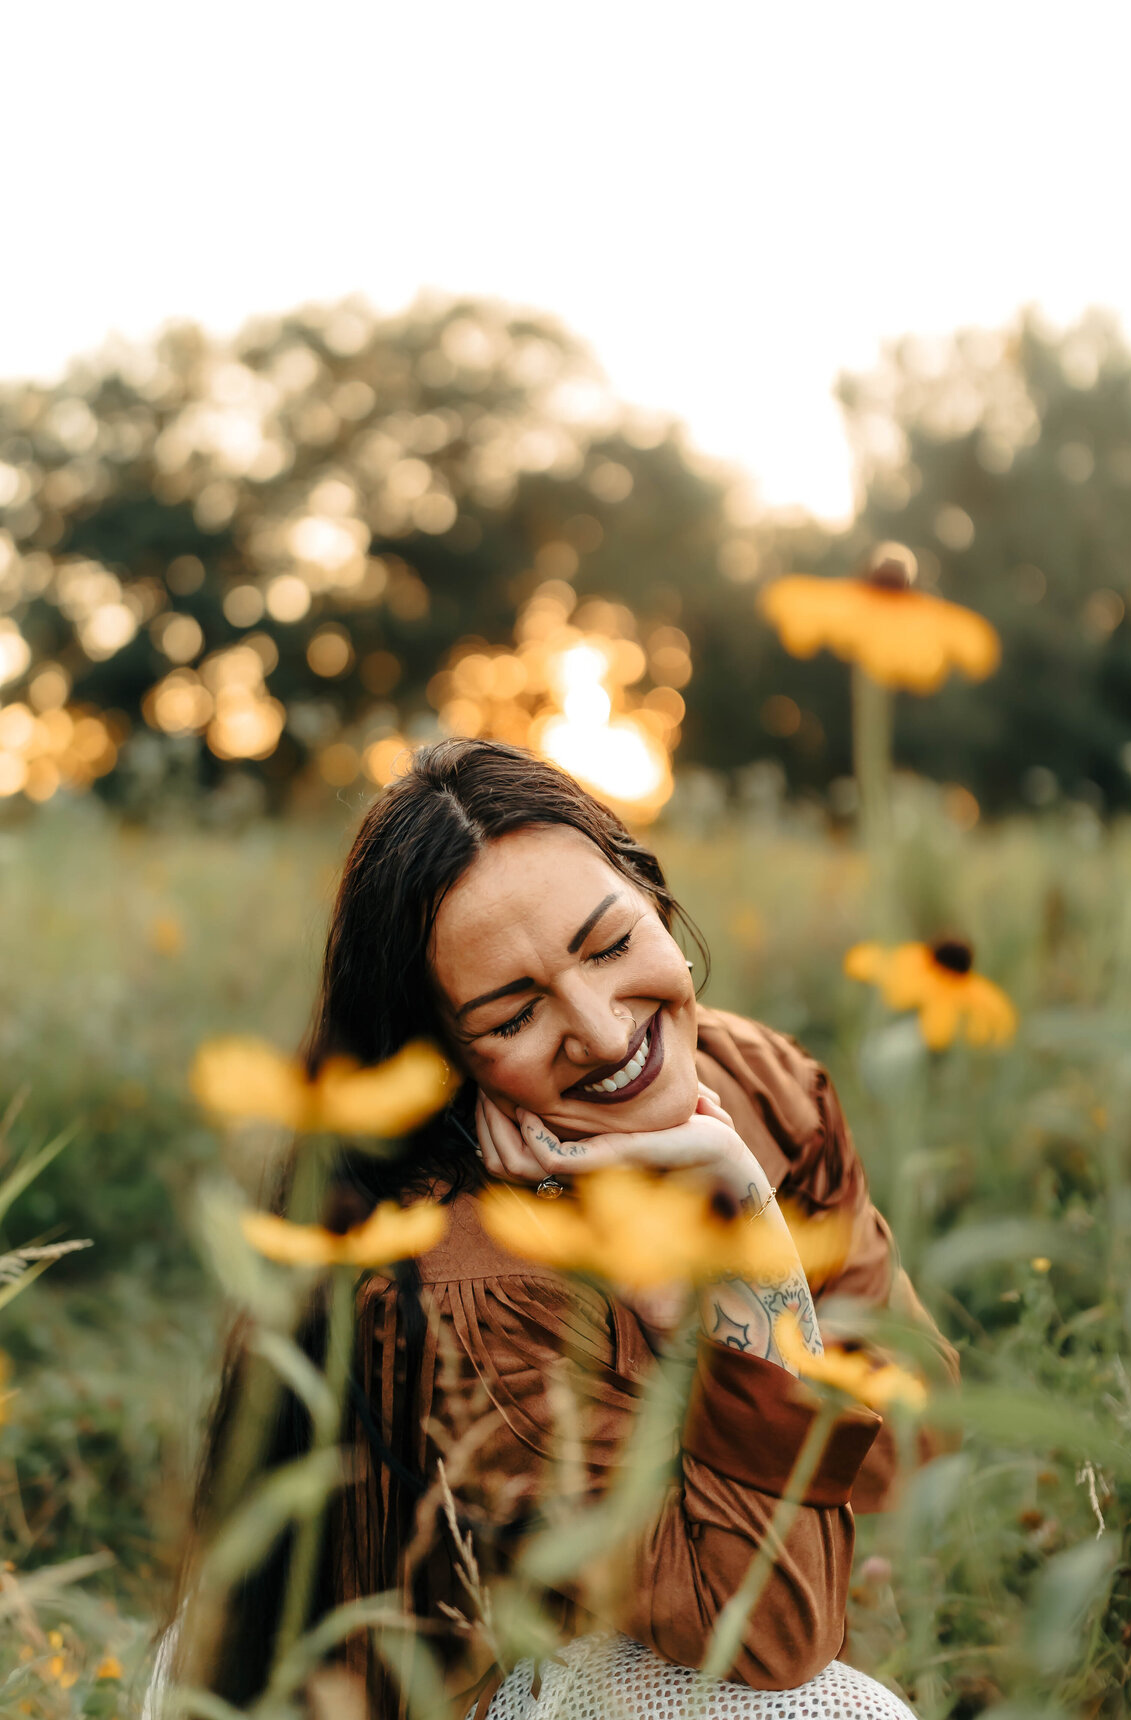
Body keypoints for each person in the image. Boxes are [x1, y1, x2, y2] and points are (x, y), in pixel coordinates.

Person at [172, 737, 959, 1719]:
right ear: (449, 1059)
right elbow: (766, 1637)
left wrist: (721, 1275)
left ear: (654, 895)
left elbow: (917, 1422)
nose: (602, 1029)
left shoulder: (763, 1086)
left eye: (611, 943)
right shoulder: (474, 1272)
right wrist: (751, 1271)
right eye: (512, 1016)